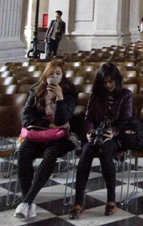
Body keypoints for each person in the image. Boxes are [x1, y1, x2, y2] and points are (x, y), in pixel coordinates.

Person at [69, 63, 133, 219]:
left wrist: (114, 132)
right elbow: (88, 117)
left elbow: (126, 120)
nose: (108, 85)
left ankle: (111, 199)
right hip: (97, 133)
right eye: (105, 82)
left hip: (115, 135)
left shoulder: (126, 94)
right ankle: (78, 201)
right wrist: (89, 132)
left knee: (105, 153)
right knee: (86, 152)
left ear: (117, 80)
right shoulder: (95, 95)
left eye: (111, 81)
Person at [15, 60, 77, 219]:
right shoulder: (36, 90)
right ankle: (28, 202)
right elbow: (26, 117)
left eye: (58, 74)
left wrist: (60, 98)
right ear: (46, 74)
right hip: (38, 134)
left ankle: (26, 202)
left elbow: (63, 119)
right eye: (51, 73)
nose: (54, 77)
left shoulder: (69, 92)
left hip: (59, 138)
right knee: (23, 152)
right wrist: (47, 124)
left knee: (50, 155)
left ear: (63, 76)